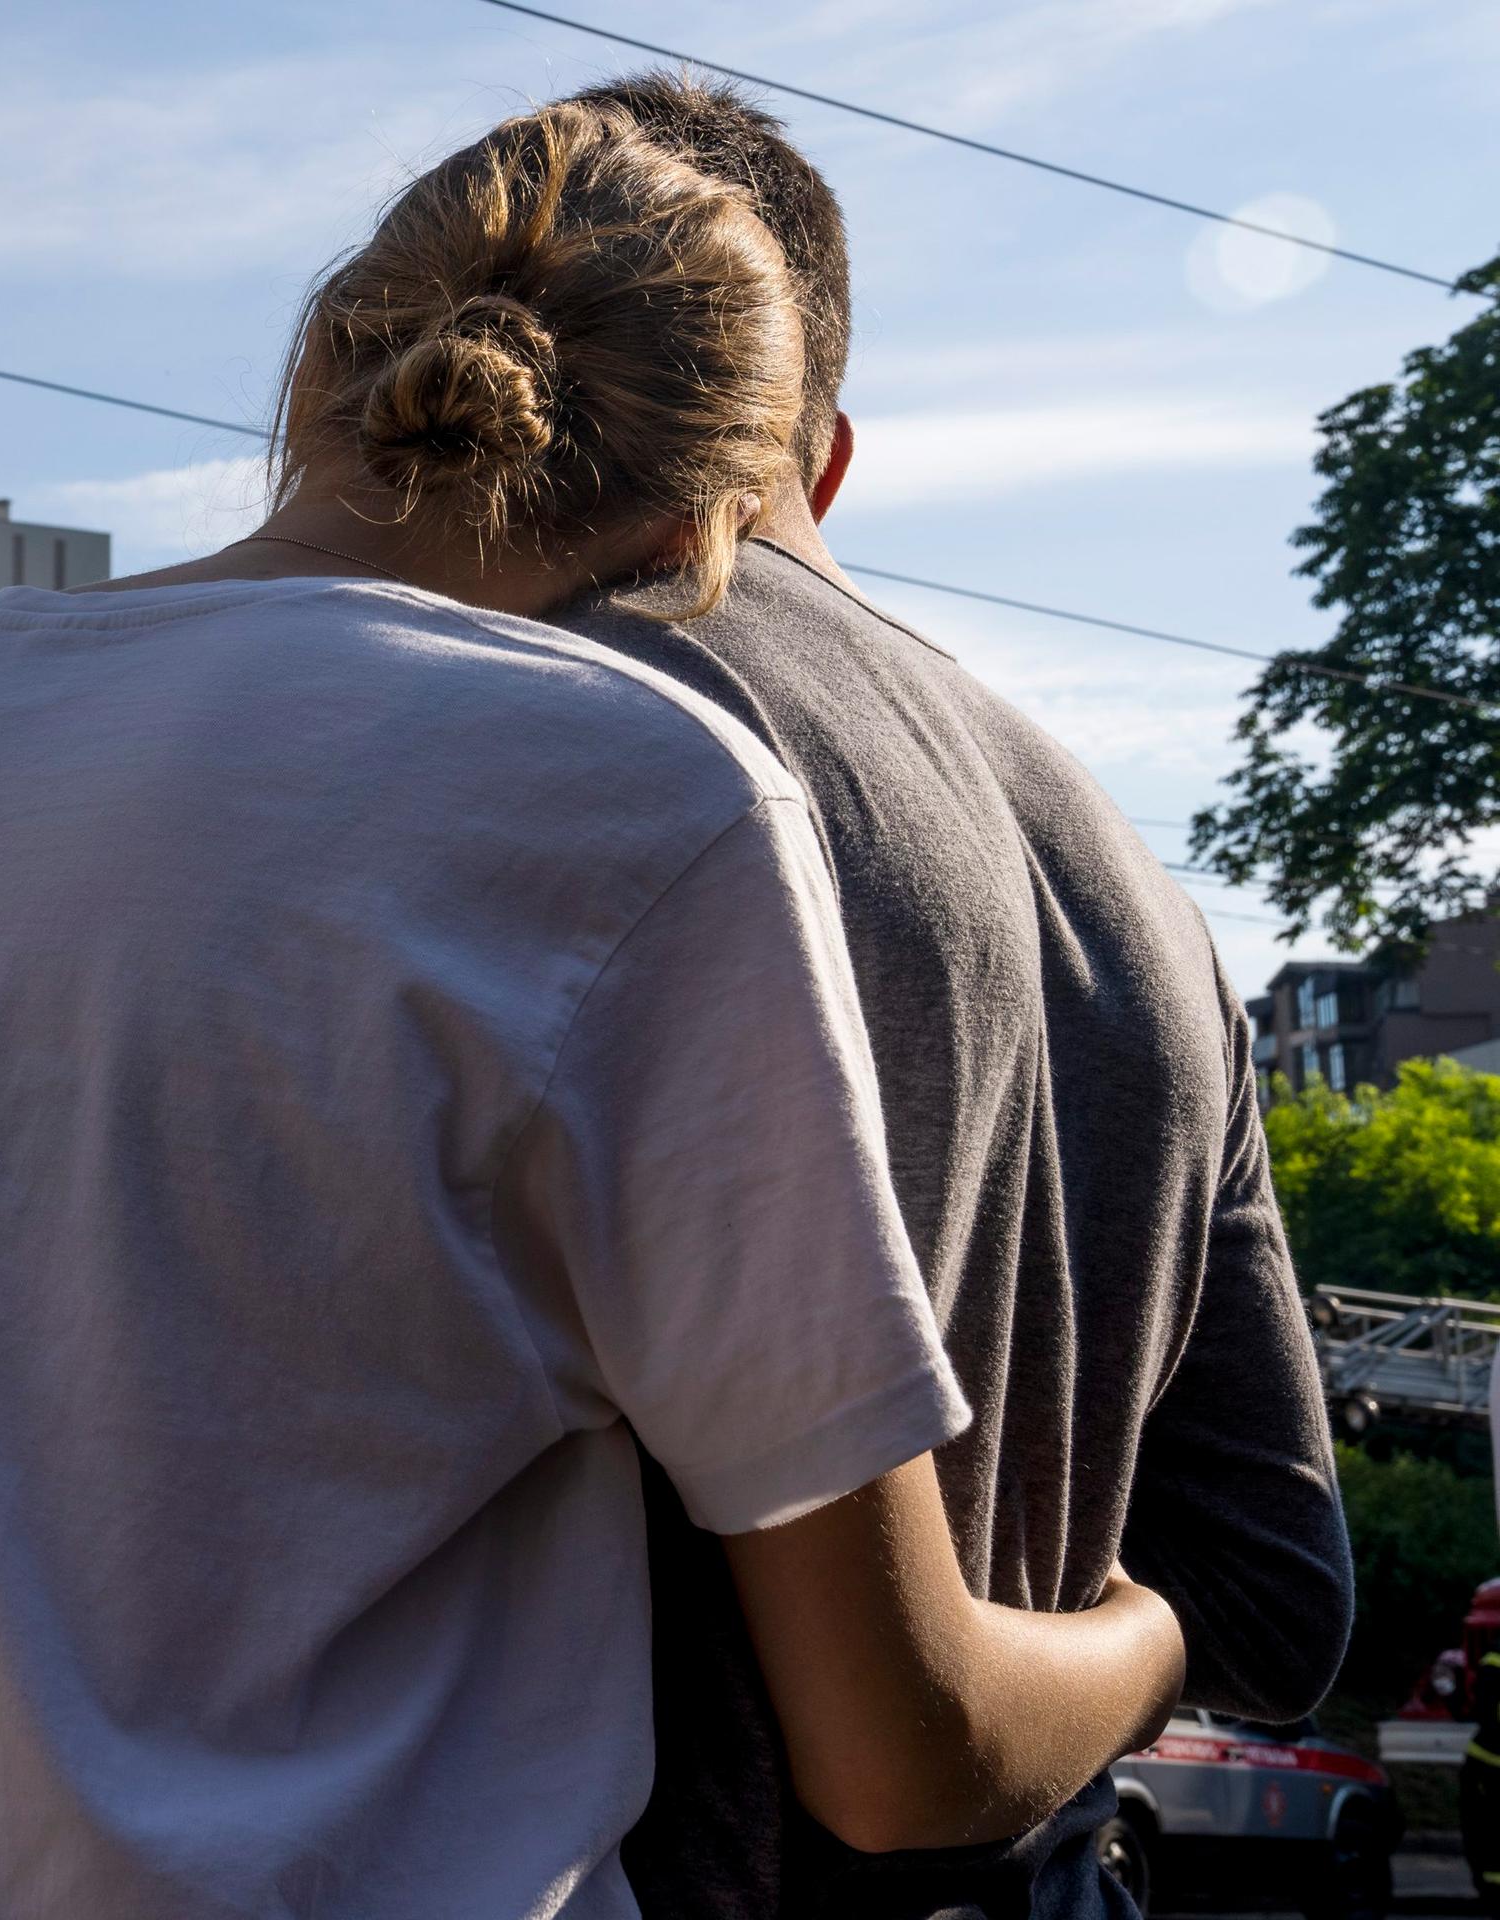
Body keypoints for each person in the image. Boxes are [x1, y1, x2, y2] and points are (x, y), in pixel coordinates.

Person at [0, 103, 1191, 1920]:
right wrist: (1144, 1639)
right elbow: (904, 1756)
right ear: (728, 520)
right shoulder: (643, 796)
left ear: (313, 380)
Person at [517, 74, 1352, 1920]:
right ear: (821, 453)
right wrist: (1057, 1655)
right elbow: (1278, 1589)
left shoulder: (537, 745)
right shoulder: (1140, 894)